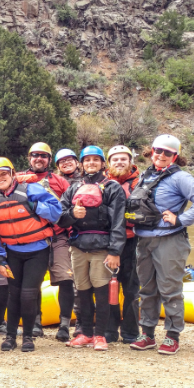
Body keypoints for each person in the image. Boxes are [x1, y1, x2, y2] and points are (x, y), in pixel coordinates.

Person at [129, 135, 194, 355]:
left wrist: (181, 219)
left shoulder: (180, 178)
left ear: (174, 156)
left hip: (170, 239)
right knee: (147, 288)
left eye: (168, 153)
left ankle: (172, 336)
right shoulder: (145, 176)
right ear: (152, 151)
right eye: (158, 150)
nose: (161, 155)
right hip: (144, 239)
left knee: (170, 289)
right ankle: (147, 334)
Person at [0, 158, 62, 352]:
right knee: (14, 295)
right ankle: (11, 336)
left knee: (28, 295)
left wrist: (37, 207)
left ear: (12, 174)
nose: (0, 178)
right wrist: (0, 258)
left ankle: (28, 336)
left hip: (38, 251)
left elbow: (57, 212)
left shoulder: (31, 190)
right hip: (13, 253)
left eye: (3, 173)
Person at [58, 146, 126, 351]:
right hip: (78, 247)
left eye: (95, 160)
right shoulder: (73, 188)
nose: (91, 163)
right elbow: (60, 218)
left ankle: (100, 335)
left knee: (102, 291)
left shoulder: (113, 188)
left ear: (103, 164)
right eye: (87, 160)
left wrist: (115, 252)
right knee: (83, 291)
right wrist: (72, 214)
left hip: (102, 248)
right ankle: (85, 333)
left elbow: (118, 222)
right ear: (81, 163)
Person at [18, 142, 75, 341]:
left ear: (49, 160)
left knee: (66, 280)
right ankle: (35, 323)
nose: (39, 158)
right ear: (29, 158)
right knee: (32, 283)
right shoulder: (19, 180)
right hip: (33, 238)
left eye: (43, 155)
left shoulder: (60, 181)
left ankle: (65, 324)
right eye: (35, 155)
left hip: (58, 236)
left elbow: (70, 206)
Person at [104, 145, 141, 344]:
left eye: (123, 159)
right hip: (107, 242)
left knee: (131, 289)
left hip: (132, 241)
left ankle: (130, 332)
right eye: (115, 159)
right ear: (109, 163)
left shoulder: (140, 184)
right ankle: (109, 331)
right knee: (108, 288)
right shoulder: (102, 183)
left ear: (130, 162)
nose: (119, 162)